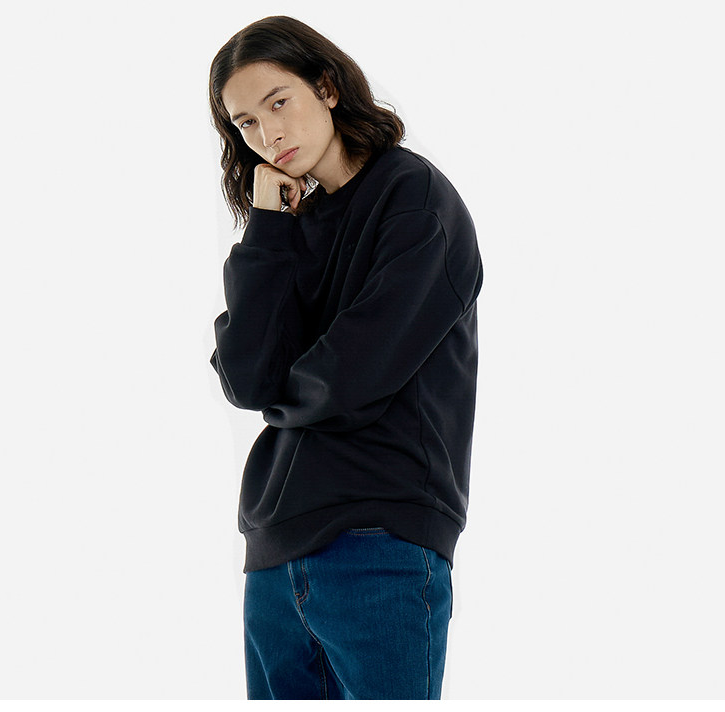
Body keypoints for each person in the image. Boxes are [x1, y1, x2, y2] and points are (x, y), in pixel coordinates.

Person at [207, 15, 483, 700]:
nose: (268, 134)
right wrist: (267, 229)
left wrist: (280, 389)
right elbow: (246, 378)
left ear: (327, 88)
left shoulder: (414, 199)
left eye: (279, 102)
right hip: (273, 559)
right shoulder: (290, 226)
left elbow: (350, 377)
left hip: (380, 540)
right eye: (246, 123)